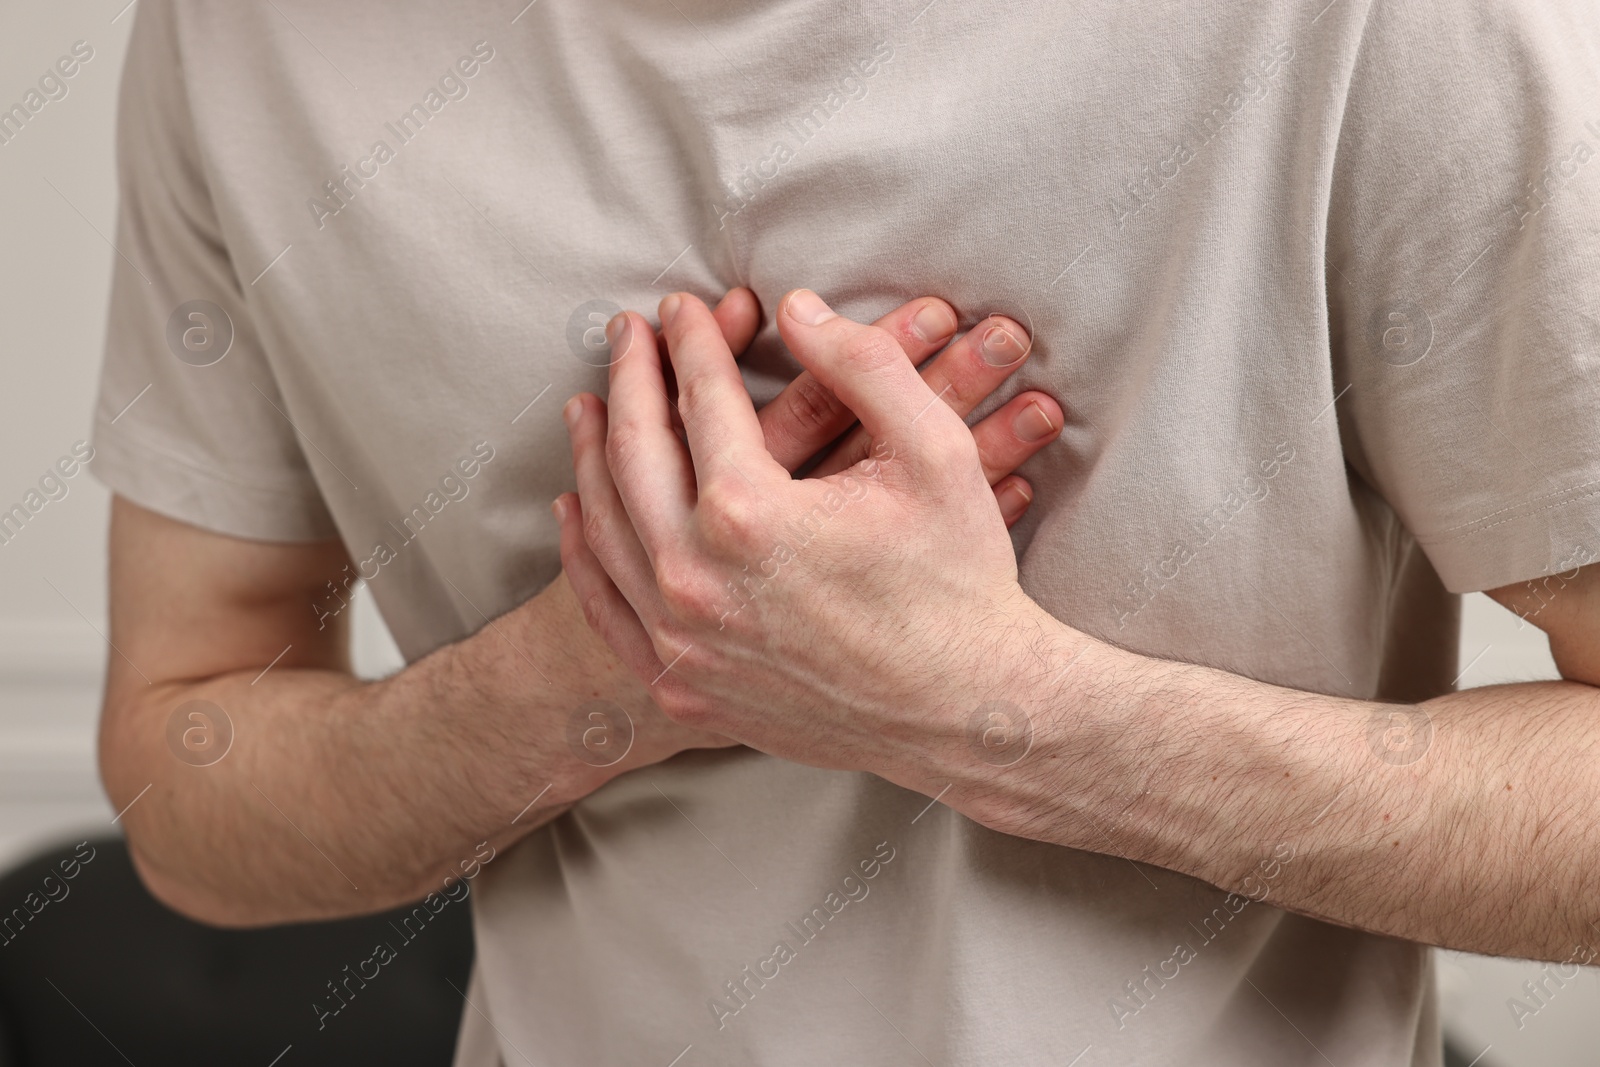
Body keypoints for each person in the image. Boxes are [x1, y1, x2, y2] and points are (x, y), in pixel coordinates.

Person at [93, 1, 1598, 1064]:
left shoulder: (1382, 24)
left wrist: (987, 716)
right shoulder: (239, 33)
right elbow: (183, 770)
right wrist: (592, 678)